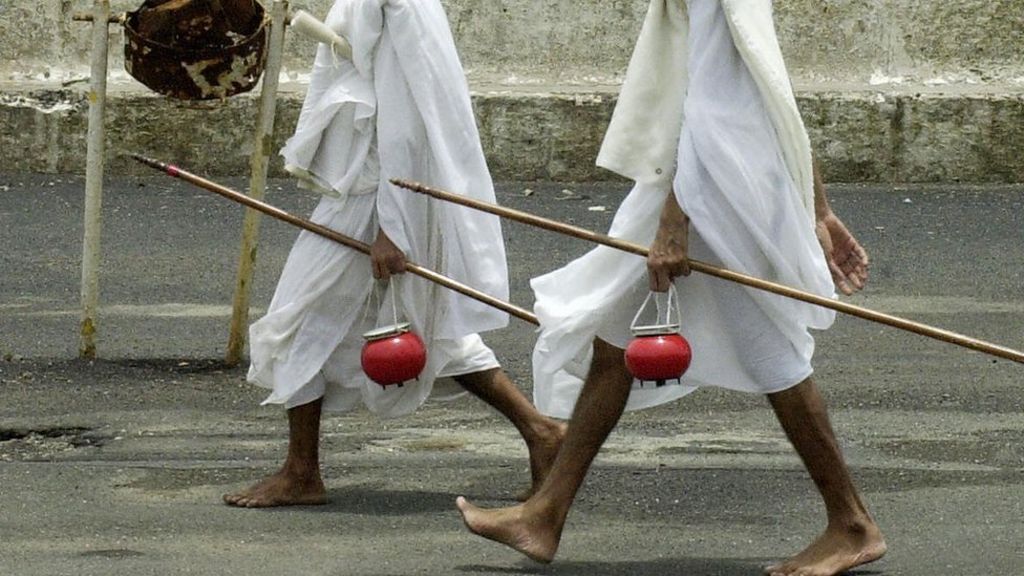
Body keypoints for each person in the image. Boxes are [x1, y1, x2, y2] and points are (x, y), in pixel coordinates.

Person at [455, 1, 886, 575]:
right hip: (701, 176)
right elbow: (765, 76)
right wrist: (816, 205)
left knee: (773, 354)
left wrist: (675, 219)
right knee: (616, 341)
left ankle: (852, 523)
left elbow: (717, 101)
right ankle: (544, 514)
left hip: (715, 189)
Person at [223, 0, 563, 508]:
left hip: (378, 197)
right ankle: (540, 431)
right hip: (371, 190)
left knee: (298, 318)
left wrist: (391, 228)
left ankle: (301, 472)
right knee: (430, 329)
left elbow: (405, 121)